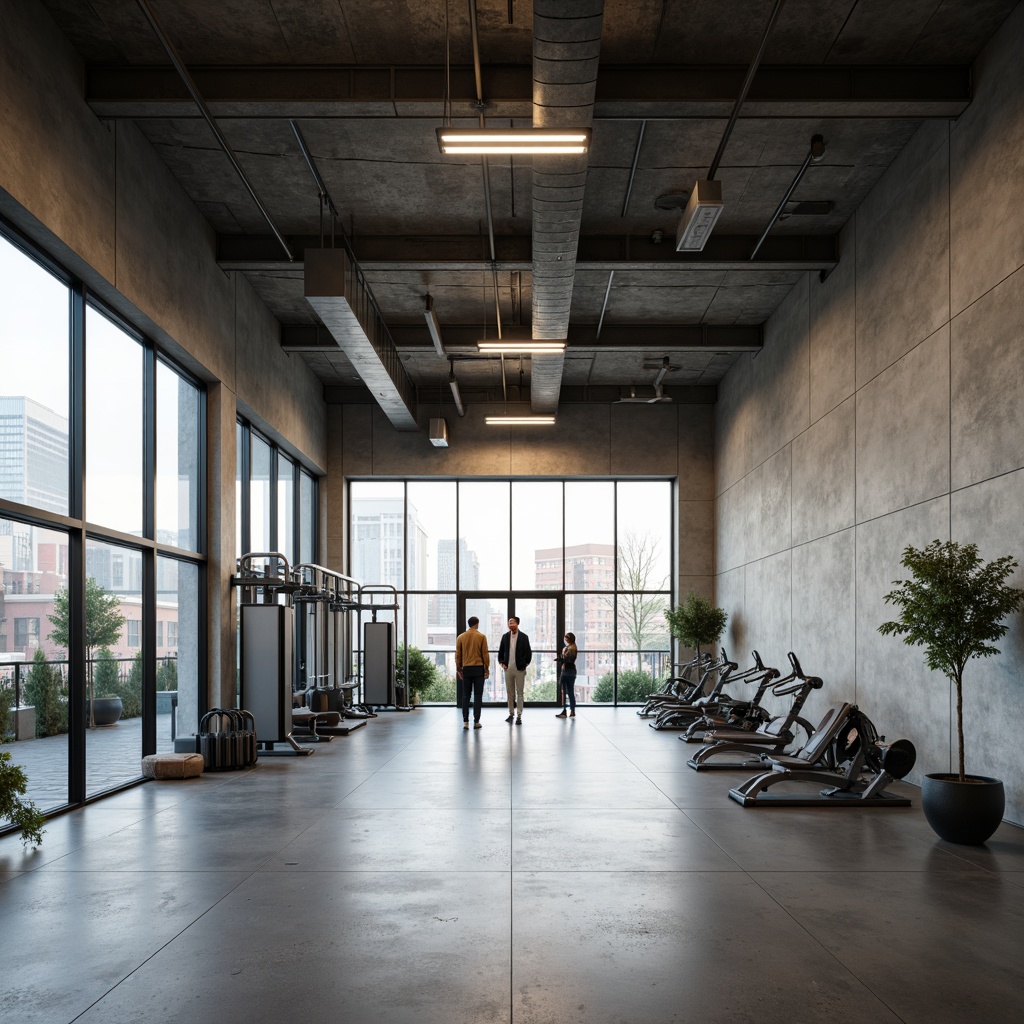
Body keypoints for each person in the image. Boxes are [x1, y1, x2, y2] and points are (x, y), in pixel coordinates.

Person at [455, 615, 490, 729]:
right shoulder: (481, 637)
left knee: (466, 695)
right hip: (478, 668)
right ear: (477, 623)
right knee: (478, 696)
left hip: (466, 669)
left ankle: (465, 722)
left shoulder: (461, 637)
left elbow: (458, 655)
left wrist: (459, 669)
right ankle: (476, 721)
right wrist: (486, 668)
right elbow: (485, 654)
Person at [498, 616, 532, 725]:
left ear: (517, 624)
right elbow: (500, 652)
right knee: (510, 693)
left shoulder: (524, 637)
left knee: (520, 693)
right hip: (508, 669)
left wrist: (524, 665)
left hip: (519, 669)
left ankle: (519, 716)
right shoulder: (505, 637)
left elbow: (528, 653)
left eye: (513, 622)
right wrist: (502, 663)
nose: (510, 624)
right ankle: (511, 713)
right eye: (509, 623)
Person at [555, 632, 578, 718]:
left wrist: (560, 658)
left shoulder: (570, 648)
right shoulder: (572, 647)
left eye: (567, 638)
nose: (566, 640)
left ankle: (565, 711)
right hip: (571, 671)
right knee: (570, 692)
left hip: (567, 671)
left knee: (565, 691)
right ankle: (572, 711)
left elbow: (566, 659)